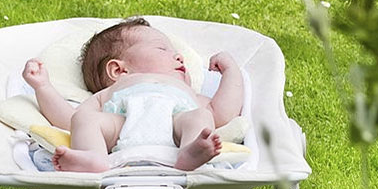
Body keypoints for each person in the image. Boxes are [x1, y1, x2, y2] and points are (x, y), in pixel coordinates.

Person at [23, 17, 244, 172]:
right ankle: (93, 157)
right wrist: (43, 87)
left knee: (201, 118)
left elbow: (223, 112)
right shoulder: (111, 93)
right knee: (85, 119)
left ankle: (191, 152)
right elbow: (69, 120)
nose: (179, 57)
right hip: (122, 125)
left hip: (175, 123)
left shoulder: (188, 93)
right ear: (119, 70)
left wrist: (231, 71)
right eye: (162, 49)